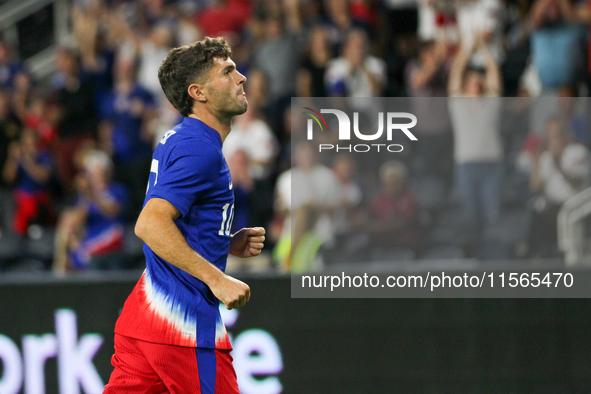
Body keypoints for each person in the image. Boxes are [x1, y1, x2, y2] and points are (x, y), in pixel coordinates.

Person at [104, 37, 265, 393]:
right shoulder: (200, 149)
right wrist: (217, 278)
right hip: (182, 325)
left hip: (144, 320)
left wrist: (222, 240)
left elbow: (177, 219)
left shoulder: (182, 138)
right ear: (199, 92)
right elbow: (150, 223)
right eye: (227, 72)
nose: (241, 78)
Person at [448, 35, 503, 243]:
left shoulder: (490, 104)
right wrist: (469, 47)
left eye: (479, 81)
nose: (477, 84)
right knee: (468, 216)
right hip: (466, 165)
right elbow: (455, 74)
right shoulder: (459, 105)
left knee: (493, 216)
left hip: (491, 165)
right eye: (472, 81)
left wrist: (485, 50)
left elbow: (494, 79)